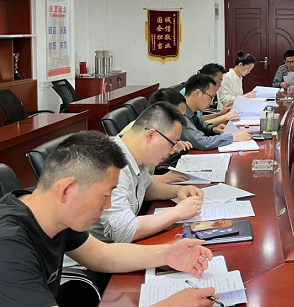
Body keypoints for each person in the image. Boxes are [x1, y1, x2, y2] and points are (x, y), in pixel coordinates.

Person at [0, 130, 217, 307]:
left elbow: (101, 255)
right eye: (105, 195)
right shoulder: (9, 246)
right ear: (67, 189)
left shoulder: (52, 210)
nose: (109, 205)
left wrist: (168, 254)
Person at [90, 102, 204, 243]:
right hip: (101, 253)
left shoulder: (135, 155)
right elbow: (123, 232)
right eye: (172, 143)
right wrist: (177, 213)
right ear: (151, 135)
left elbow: (147, 187)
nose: (172, 150)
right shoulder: (112, 166)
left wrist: (177, 190)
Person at [183, 73, 251, 150]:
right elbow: (202, 142)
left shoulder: (190, 111)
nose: (211, 103)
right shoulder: (180, 114)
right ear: (197, 94)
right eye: (211, 97)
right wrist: (233, 137)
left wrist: (213, 129)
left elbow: (200, 124)